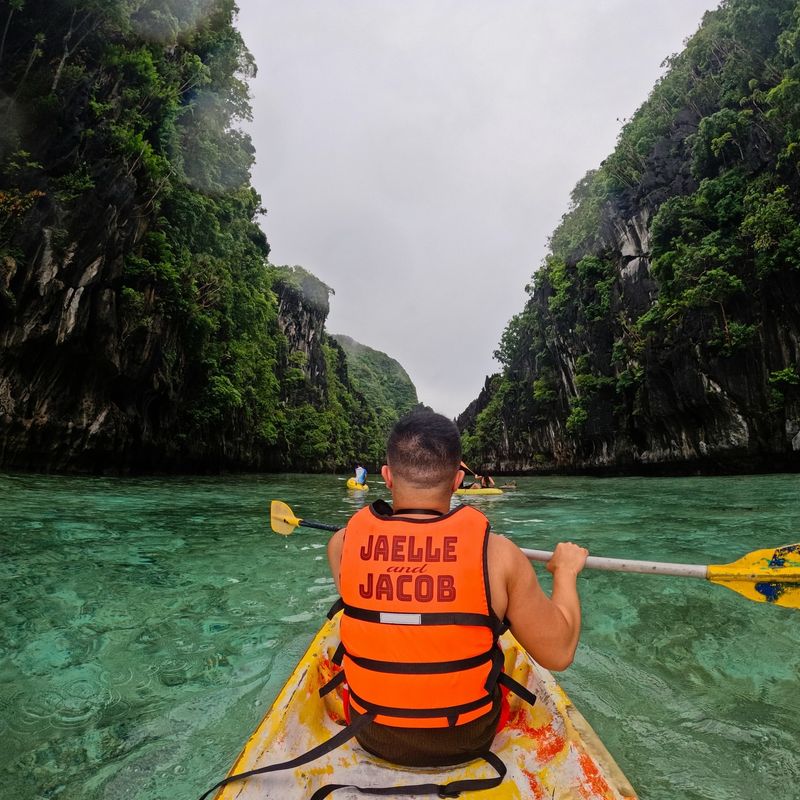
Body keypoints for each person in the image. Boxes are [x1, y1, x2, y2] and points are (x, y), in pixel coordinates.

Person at [327, 410, 588, 771]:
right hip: (468, 736)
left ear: (386, 477)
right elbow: (559, 653)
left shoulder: (342, 544)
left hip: (371, 732)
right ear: (458, 479)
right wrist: (566, 572)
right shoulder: (500, 555)